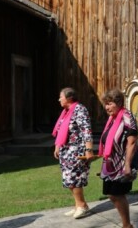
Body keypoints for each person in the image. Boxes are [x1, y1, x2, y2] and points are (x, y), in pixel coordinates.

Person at [99, 89, 138, 228]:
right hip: (111, 164)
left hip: (122, 163)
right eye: (106, 104)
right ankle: (126, 224)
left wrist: (128, 165)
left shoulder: (127, 116)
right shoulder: (112, 118)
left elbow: (131, 142)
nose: (107, 107)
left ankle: (127, 225)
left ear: (119, 102)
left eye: (110, 104)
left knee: (118, 194)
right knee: (111, 194)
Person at [52, 87, 93, 219]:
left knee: (74, 178)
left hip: (77, 150)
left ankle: (82, 206)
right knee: (69, 179)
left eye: (61, 97)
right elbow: (60, 130)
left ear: (69, 98)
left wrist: (89, 149)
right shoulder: (66, 111)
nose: (59, 99)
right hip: (66, 151)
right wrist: (58, 147)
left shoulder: (80, 110)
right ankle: (79, 205)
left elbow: (86, 130)